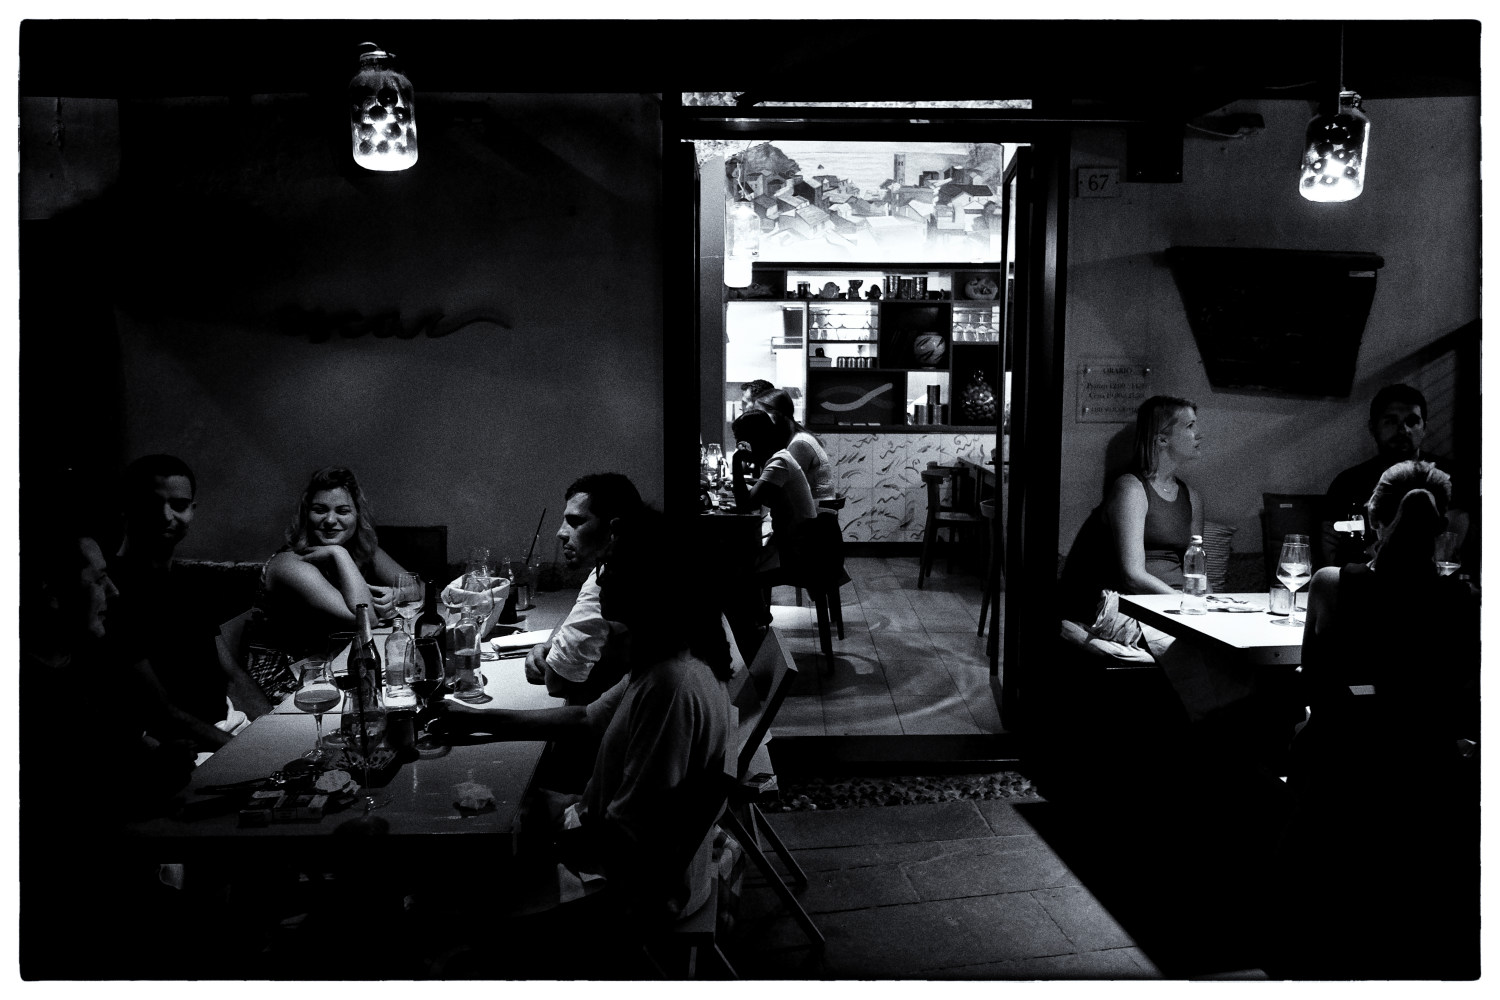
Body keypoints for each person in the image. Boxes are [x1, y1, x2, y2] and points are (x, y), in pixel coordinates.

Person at [437, 506, 733, 976]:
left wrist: (550, 823)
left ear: (649, 582)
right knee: (516, 813)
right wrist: (475, 718)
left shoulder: (671, 686)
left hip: (628, 894)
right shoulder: (665, 660)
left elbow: (626, 841)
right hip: (631, 867)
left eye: (612, 567)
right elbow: (585, 719)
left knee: (448, 909)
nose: (601, 577)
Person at [1271, 461, 1479, 978]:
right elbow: (1461, 700)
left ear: (1372, 518)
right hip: (1425, 779)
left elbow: (1315, 685)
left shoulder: (1331, 585)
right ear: (1443, 530)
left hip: (1342, 772)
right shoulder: (1463, 598)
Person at [20, 519, 199, 978]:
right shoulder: (30, 696)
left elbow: (138, 745)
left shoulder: (79, 665)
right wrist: (161, 764)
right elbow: (99, 802)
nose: (113, 593)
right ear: (50, 592)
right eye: (99, 580)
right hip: (86, 910)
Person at [108, 454, 267, 754]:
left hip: (229, 726)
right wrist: (245, 755)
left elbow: (230, 674)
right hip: (184, 751)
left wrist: (276, 732)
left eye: (179, 505)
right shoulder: (112, 590)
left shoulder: (188, 583)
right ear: (128, 508)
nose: (166, 516)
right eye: (152, 504)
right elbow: (162, 712)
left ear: (192, 510)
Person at [245, 466, 408, 699]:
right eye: (320, 510)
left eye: (342, 511)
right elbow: (367, 619)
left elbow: (417, 587)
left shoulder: (360, 550)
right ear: (306, 515)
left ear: (357, 516)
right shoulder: (290, 564)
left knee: (399, 682)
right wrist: (338, 553)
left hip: (328, 666)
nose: (331, 520)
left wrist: (397, 594)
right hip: (283, 681)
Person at [1058, 395, 1204, 623]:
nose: (1199, 433)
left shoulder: (1191, 497)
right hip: (1139, 606)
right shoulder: (1132, 489)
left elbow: (1197, 567)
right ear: (1162, 440)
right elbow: (1133, 576)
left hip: (1181, 607)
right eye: (1190, 426)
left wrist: (1210, 604)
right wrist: (1183, 602)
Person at [522, 472, 643, 707]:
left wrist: (555, 653)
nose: (561, 532)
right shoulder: (633, 560)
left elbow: (558, 683)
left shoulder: (616, 577)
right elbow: (577, 614)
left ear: (614, 528)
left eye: (576, 522)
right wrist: (554, 642)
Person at [1320, 383, 1472, 569]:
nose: (1403, 430)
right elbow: (1329, 550)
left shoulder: (1447, 478)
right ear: (1373, 427)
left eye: (1412, 421)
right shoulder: (1348, 483)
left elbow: (1450, 550)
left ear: (1424, 428)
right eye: (1391, 421)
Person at [730, 407, 817, 577]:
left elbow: (745, 505)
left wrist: (736, 460)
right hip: (798, 541)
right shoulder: (777, 458)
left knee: (736, 565)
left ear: (752, 439)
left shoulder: (779, 463)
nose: (738, 445)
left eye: (739, 439)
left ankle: (751, 602)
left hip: (796, 549)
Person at [752, 387, 836, 502]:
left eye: (760, 415)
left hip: (816, 516)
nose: (756, 421)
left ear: (777, 414)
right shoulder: (790, 439)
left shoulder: (800, 443)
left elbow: (775, 490)